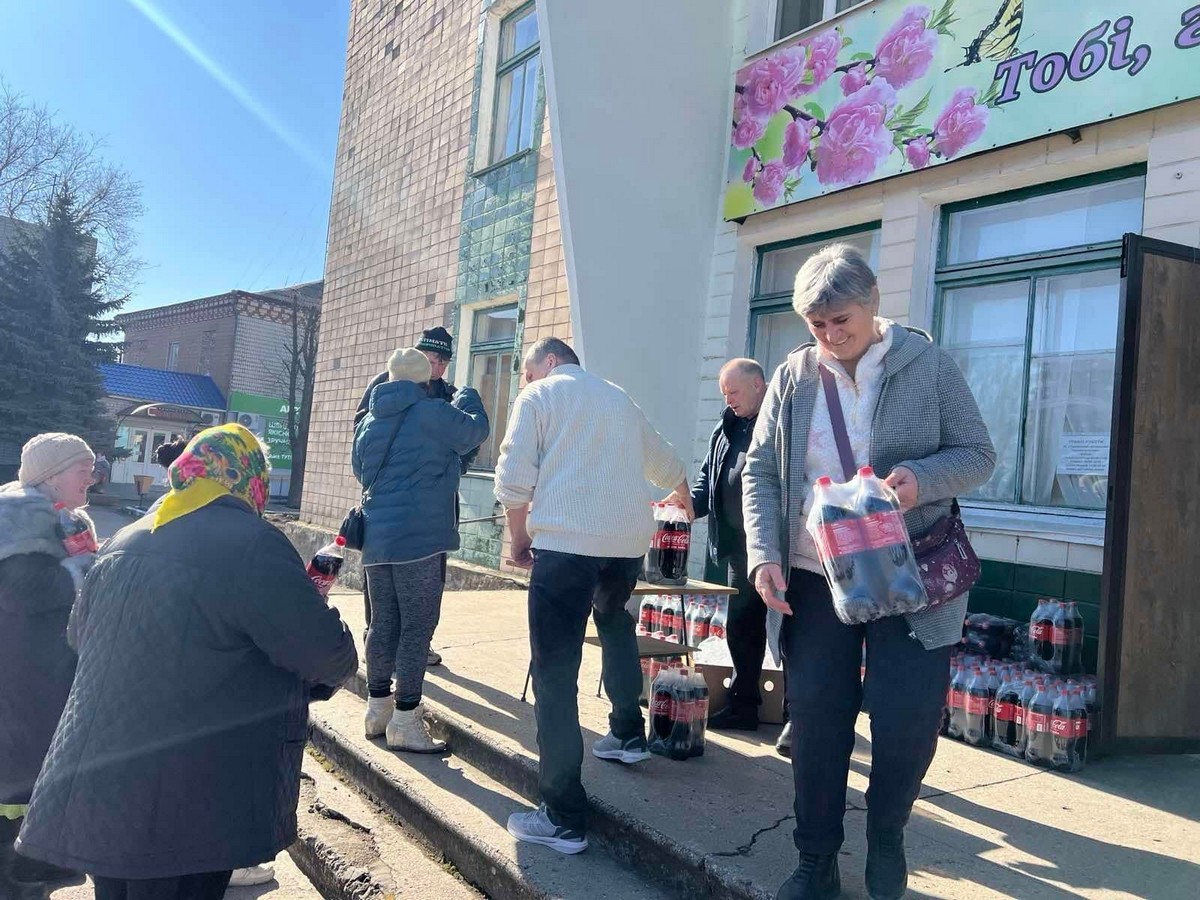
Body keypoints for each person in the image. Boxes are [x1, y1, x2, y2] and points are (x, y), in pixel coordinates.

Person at [742, 244, 995, 900]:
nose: (829, 336)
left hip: (909, 573)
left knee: (906, 717)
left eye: (840, 321)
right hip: (814, 572)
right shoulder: (794, 376)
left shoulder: (926, 364)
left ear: (873, 305)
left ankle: (887, 836)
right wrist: (765, 554)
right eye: (816, 324)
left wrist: (922, 479)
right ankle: (815, 857)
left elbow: (978, 453)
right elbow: (762, 472)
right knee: (819, 716)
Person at [16, 424, 358, 900]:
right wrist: (313, 602)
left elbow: (79, 636)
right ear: (248, 477)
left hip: (103, 788)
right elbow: (328, 657)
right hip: (189, 800)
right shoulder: (251, 543)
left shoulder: (127, 539)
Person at [495, 337, 692, 856]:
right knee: (614, 621)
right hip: (624, 547)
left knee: (555, 671)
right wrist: (682, 499)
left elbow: (514, 481)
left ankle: (562, 816)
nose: (528, 382)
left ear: (551, 363)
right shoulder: (617, 397)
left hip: (566, 545)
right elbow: (669, 466)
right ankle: (628, 733)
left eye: (529, 372)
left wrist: (519, 539)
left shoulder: (539, 397)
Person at [353, 348, 489, 752]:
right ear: (425, 381)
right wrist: (469, 399)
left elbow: (361, 471)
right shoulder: (433, 412)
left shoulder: (369, 422)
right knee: (416, 627)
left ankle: (377, 709)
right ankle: (406, 721)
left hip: (377, 540)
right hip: (421, 540)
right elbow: (475, 432)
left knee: (382, 625)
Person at [0, 434, 97, 894]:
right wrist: (83, 574)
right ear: (52, 475)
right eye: (84, 469)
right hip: (22, 692)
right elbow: (19, 595)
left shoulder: (55, 517)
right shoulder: (19, 518)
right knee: (16, 804)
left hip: (40, 685)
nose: (92, 479)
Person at [354, 326, 480, 666]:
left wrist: (455, 465)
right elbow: (361, 429)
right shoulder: (387, 382)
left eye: (442, 361)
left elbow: (465, 440)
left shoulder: (446, 394)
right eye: (431, 358)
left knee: (428, 581)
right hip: (387, 499)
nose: (436, 367)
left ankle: (419, 644)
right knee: (382, 577)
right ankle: (376, 638)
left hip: (432, 504)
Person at [687, 359, 793, 748]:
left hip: (780, 548)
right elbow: (708, 477)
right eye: (723, 393)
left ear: (759, 385)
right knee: (742, 628)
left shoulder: (782, 421)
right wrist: (685, 506)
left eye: (733, 391)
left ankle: (797, 716)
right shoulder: (728, 424)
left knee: (790, 633)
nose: (728, 399)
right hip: (738, 548)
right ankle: (744, 703)